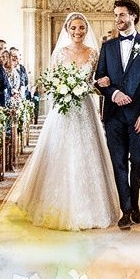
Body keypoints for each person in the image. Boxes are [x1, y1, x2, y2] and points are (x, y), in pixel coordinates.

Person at [16, 13, 120, 230]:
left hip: (84, 109)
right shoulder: (60, 53)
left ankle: (91, 208)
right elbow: (52, 82)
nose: (78, 32)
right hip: (62, 111)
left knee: (86, 153)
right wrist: (63, 90)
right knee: (60, 153)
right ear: (67, 29)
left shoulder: (94, 54)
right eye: (73, 28)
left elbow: (97, 83)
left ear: (86, 29)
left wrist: (99, 83)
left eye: (81, 28)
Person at [94, 0, 140, 229]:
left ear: (133, 16)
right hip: (113, 115)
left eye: (122, 15)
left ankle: (135, 200)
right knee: (118, 162)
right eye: (115, 15)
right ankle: (126, 209)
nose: (118, 19)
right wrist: (113, 93)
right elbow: (100, 80)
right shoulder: (108, 47)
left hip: (138, 116)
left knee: (139, 161)